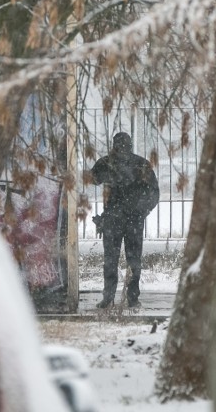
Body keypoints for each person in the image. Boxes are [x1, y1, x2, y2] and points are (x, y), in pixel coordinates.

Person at [91, 132, 159, 309]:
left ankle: (108, 298)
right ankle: (132, 298)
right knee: (133, 260)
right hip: (133, 221)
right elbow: (154, 193)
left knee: (111, 260)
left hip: (114, 220)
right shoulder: (141, 164)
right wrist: (143, 211)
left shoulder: (107, 163)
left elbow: (92, 178)